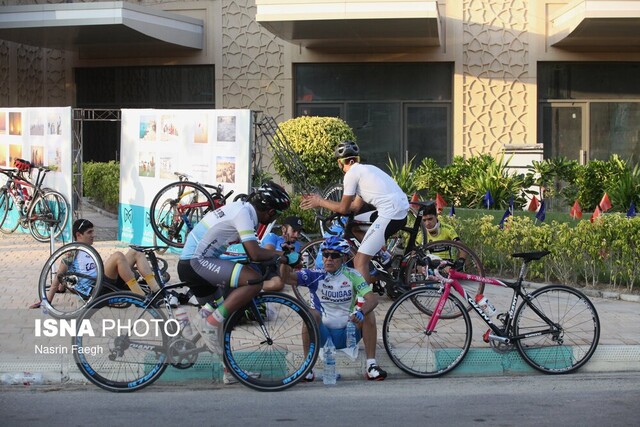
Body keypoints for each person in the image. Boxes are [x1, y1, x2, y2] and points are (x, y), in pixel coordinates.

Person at [177, 182, 294, 356]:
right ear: (270, 211)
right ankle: (208, 322)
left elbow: (250, 253)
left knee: (222, 317)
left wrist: (276, 254)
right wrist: (284, 257)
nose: (273, 219)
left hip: (195, 262)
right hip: (197, 262)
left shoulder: (243, 209)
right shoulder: (243, 214)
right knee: (254, 282)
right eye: (276, 215)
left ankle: (228, 371)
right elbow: (254, 254)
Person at [300, 140, 410, 285]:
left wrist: (320, 202)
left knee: (359, 261)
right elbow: (356, 206)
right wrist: (330, 204)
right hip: (399, 209)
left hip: (391, 213)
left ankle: (365, 303)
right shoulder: (366, 169)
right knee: (355, 224)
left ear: (340, 163)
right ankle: (383, 256)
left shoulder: (351, 175)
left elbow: (343, 209)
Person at [279, 235, 388, 381]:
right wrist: (286, 259)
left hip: (348, 335)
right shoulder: (314, 275)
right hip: (322, 336)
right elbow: (285, 278)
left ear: (343, 258)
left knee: (369, 314)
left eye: (334, 255)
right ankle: (307, 368)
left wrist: (361, 311)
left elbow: (372, 299)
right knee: (310, 314)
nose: (329, 259)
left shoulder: (352, 275)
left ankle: (371, 365)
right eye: (325, 254)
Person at [30, 218, 161, 309]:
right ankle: (140, 297)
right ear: (78, 235)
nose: (94, 235)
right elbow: (59, 275)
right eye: (89, 232)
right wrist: (46, 300)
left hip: (105, 281)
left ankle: (158, 291)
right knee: (117, 256)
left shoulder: (89, 249)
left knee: (135, 251)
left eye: (93, 231)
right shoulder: (73, 251)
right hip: (96, 289)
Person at [261, 215, 305, 291]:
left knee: (279, 284)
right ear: (284, 229)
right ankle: (252, 286)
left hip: (278, 273)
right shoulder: (272, 236)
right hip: (263, 267)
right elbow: (268, 252)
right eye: (294, 231)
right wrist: (286, 253)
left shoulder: (296, 244)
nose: (296, 235)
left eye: (299, 232)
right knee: (287, 258)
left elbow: (294, 265)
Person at [421, 202, 467, 270]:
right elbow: (413, 254)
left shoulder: (447, 229)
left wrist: (461, 261)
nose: (427, 223)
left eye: (430, 219)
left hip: (447, 265)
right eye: (424, 220)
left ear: (436, 216)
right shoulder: (421, 234)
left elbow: (463, 249)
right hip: (430, 265)